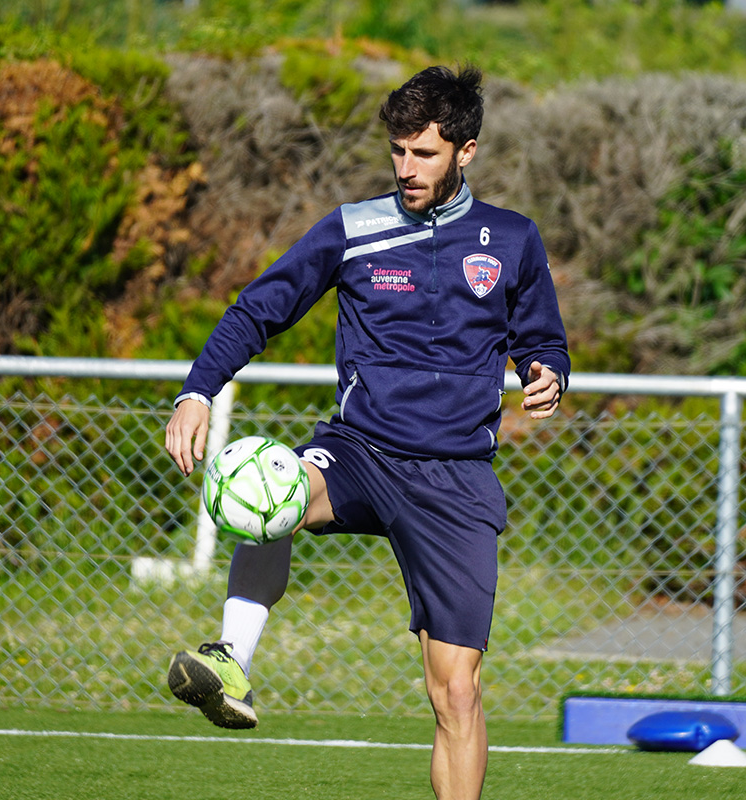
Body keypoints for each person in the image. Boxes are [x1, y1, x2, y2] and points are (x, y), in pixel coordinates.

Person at [163, 64, 569, 800]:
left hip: (455, 480)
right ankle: (229, 658)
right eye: (397, 151)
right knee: (271, 483)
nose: (406, 168)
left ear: (466, 152)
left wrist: (548, 372)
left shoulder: (511, 239)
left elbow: (543, 339)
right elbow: (260, 309)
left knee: (456, 695)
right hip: (361, 452)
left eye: (423, 154)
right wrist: (198, 390)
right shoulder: (353, 230)